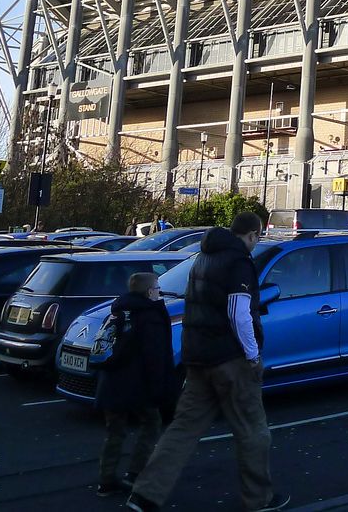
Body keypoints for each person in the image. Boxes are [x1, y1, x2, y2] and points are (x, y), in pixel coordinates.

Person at [126, 212, 288, 512]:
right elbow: (239, 313)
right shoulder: (239, 262)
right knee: (252, 429)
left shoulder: (202, 258)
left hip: (198, 357)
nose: (257, 243)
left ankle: (146, 494)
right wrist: (252, 356)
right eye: (258, 237)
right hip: (231, 359)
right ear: (252, 234)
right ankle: (259, 498)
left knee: (183, 428)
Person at [95, 271, 176, 496]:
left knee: (115, 431)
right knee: (151, 423)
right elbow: (155, 356)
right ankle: (136, 472)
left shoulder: (118, 310)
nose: (160, 293)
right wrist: (160, 389)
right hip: (138, 384)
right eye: (158, 289)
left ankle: (106, 480)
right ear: (150, 291)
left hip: (112, 382)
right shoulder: (150, 316)